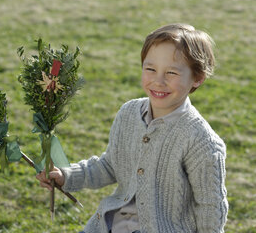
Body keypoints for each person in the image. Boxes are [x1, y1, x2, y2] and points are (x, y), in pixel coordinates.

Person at [36, 23, 228, 233]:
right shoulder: (129, 113)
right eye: (150, 69)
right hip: (108, 226)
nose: (158, 80)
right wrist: (66, 176)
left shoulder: (202, 142)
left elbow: (211, 209)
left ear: (197, 78)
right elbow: (109, 166)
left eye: (171, 72)